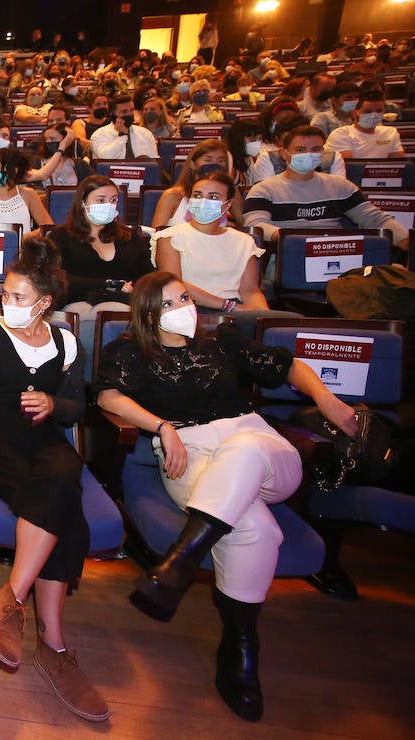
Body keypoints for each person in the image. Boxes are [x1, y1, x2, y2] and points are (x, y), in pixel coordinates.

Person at [94, 271, 357, 721]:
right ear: (149, 314)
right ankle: (240, 645)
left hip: (263, 450)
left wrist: (327, 399)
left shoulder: (223, 341)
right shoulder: (130, 351)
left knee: (247, 449)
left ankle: (180, 560)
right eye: (170, 303)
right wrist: (161, 427)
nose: (184, 307)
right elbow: (107, 396)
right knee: (255, 530)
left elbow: (289, 367)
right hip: (190, 454)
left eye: (185, 297)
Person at [0, 239, 109, 723]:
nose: (7, 302)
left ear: (44, 302)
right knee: (64, 508)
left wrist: (54, 404)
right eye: (5, 294)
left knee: (64, 477)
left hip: (45, 441)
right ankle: (54, 645)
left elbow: (77, 406)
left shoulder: (66, 343)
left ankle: (10, 598)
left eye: (17, 296)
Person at [243, 126, 407, 251]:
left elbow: (375, 219)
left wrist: (407, 242)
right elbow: (256, 225)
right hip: (287, 252)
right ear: (284, 153)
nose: (309, 154)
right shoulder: (264, 190)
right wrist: (295, 240)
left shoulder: (340, 186)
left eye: (315, 149)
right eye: (300, 150)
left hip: (337, 251)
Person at [44, 175, 153, 351]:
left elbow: (148, 275)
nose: (108, 205)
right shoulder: (61, 236)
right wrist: (110, 284)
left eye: (113, 200)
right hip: (76, 300)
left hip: (122, 302)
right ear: (83, 203)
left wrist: (136, 289)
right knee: (87, 316)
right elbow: (57, 277)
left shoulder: (130, 237)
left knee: (111, 314)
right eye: (101, 200)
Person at [153, 173, 273, 329]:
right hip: (189, 309)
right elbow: (175, 286)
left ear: (227, 205)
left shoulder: (244, 241)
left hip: (236, 312)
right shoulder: (169, 237)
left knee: (284, 323)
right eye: (197, 195)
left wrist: (264, 315)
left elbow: (250, 291)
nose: (203, 201)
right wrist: (230, 306)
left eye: (213, 197)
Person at [150, 140, 244, 228]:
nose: (214, 165)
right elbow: (156, 233)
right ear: (193, 164)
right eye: (208, 160)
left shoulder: (232, 194)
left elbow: (244, 225)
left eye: (220, 161)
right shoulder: (173, 196)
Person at [324, 90, 405, 159]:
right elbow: (349, 167)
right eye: (368, 111)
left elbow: (399, 163)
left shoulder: (390, 132)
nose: (374, 115)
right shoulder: (340, 134)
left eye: (379, 111)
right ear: (355, 113)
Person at [90, 96, 159, 161]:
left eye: (131, 110)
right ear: (112, 114)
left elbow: (154, 161)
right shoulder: (99, 134)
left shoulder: (145, 133)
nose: (129, 114)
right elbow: (105, 158)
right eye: (124, 112)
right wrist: (122, 136)